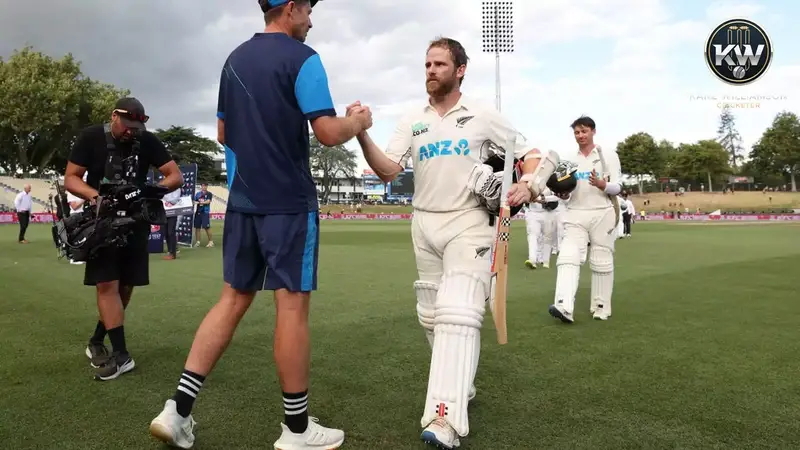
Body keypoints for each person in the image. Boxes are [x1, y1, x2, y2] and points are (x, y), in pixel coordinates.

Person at [149, 1, 371, 448]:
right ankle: (296, 429)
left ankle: (177, 411)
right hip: (288, 204)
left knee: (231, 300)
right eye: (308, 9)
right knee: (291, 308)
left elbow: (223, 134)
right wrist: (358, 122)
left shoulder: (233, 60)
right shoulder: (303, 58)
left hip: (243, 203)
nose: (311, 19)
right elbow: (327, 132)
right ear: (290, 9)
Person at [350, 36, 556, 449]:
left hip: (469, 224)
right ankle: (462, 384)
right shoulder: (413, 119)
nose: (430, 71)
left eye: (439, 64)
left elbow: (531, 153)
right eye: (427, 64)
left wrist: (528, 185)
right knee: (431, 317)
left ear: (459, 70)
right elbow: (389, 170)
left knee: (458, 312)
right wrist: (361, 135)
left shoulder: (481, 114)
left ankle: (444, 418)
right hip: (424, 226)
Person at [64, 97, 183, 380]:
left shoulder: (148, 140)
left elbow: (174, 176)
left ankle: (96, 339)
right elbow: (71, 177)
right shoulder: (91, 136)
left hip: (136, 221)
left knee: (125, 287)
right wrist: (96, 196)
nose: (131, 131)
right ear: (114, 116)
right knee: (107, 283)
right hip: (102, 222)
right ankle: (121, 355)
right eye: (127, 125)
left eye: (136, 127)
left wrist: (149, 190)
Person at [547, 116, 621, 323]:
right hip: (575, 212)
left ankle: (601, 307)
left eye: (584, 131)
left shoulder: (608, 155)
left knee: (601, 260)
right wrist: (563, 194)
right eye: (577, 133)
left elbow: (618, 187)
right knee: (567, 256)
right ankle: (563, 306)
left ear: (593, 131)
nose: (580, 136)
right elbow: (567, 189)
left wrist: (601, 184)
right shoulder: (569, 158)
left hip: (603, 212)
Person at [524, 188, 560, 269]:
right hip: (533, 213)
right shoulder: (530, 181)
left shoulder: (551, 182)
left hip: (548, 213)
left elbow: (557, 197)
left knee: (547, 237)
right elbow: (526, 196)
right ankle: (532, 259)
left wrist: (544, 199)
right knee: (533, 235)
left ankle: (545, 261)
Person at [66, 174, 89, 265]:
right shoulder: (70, 192)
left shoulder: (81, 191)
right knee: (75, 236)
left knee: (82, 236)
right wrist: (85, 198)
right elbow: (74, 206)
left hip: (83, 214)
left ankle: (80, 255)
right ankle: (73, 256)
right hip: (75, 215)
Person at [163, 186, 182, 259]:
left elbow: (175, 200)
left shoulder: (177, 188)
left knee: (171, 232)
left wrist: (166, 199)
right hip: (165, 212)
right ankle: (169, 251)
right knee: (166, 232)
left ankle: (173, 253)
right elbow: (161, 197)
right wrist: (166, 199)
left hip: (173, 212)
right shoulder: (164, 188)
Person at [193, 183, 213, 247]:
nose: (204, 187)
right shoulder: (198, 194)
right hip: (198, 212)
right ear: (201, 186)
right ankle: (198, 242)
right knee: (197, 227)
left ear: (207, 186)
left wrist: (200, 202)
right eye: (203, 186)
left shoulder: (209, 193)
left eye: (205, 186)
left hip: (205, 212)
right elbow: (194, 201)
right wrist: (195, 202)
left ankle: (210, 242)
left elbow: (208, 201)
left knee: (206, 227)